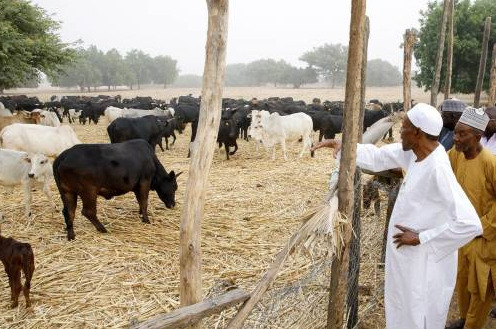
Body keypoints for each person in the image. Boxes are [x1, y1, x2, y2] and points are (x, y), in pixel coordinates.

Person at [311, 103, 483, 329]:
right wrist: (344, 147)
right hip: (407, 260)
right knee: (402, 309)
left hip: (422, 264)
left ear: (417, 133)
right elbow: (379, 156)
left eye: (404, 127)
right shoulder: (414, 154)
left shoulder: (437, 168)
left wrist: (422, 238)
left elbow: (470, 224)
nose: (400, 131)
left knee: (416, 314)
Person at [445, 107, 496, 329]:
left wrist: (482, 226)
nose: (455, 138)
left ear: (477, 136)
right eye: (456, 133)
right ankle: (465, 320)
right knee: (463, 282)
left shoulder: (490, 163)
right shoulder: (454, 155)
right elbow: (434, 169)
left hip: (485, 238)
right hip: (462, 236)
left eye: (461, 134)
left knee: (481, 288)